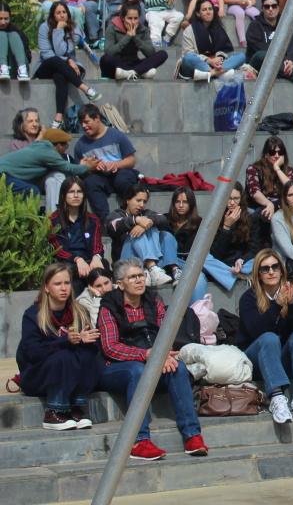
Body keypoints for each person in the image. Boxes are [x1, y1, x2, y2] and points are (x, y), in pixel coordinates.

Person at [98, 259, 208, 461]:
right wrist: (148, 355)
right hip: (116, 367)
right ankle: (139, 441)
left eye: (141, 275)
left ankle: (192, 435)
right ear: (120, 283)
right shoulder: (109, 307)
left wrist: (163, 355)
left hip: (152, 360)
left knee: (178, 368)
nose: (139, 280)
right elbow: (110, 347)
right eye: (133, 277)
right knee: (137, 371)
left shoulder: (153, 300)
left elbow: (167, 332)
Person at [237, 248, 293, 425]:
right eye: (265, 268)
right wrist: (276, 307)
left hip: (283, 358)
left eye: (275, 267)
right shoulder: (248, 298)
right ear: (258, 274)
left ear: (282, 270)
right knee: (269, 338)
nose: (271, 271)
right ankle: (276, 397)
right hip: (257, 360)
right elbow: (255, 332)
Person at [17, 262, 102, 430]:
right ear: (47, 288)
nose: (64, 288)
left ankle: (77, 408)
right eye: (57, 284)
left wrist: (86, 341)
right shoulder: (33, 314)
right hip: (37, 376)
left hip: (70, 373)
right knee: (64, 356)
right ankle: (54, 411)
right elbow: (33, 353)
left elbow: (95, 348)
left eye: (67, 283)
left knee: (86, 354)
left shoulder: (80, 311)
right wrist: (65, 341)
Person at [70, 104, 138, 221]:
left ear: (97, 118)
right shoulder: (81, 145)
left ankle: (131, 214)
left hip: (120, 173)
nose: (84, 126)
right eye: (82, 123)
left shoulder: (116, 135)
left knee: (124, 179)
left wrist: (116, 164)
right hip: (99, 178)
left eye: (87, 122)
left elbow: (132, 160)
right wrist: (91, 167)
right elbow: (78, 170)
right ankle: (106, 221)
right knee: (90, 182)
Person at [0, 127, 92, 201]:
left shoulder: (39, 146)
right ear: (58, 145)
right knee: (32, 191)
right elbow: (67, 168)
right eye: (66, 146)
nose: (66, 149)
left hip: (6, 174)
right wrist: (87, 167)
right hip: (2, 175)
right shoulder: (48, 152)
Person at [47, 176, 106, 285]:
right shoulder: (54, 220)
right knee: (71, 271)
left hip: (88, 259)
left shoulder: (93, 219)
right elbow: (58, 249)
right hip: (66, 261)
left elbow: (97, 244)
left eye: (79, 192)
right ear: (64, 195)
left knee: (103, 265)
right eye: (71, 192)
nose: (75, 195)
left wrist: (96, 257)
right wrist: (77, 259)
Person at [245, 0, 293, 84]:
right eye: (267, 6)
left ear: (278, 8)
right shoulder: (254, 26)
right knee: (262, 55)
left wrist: (290, 59)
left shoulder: (285, 24)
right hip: (260, 63)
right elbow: (261, 49)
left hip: (283, 62)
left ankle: (283, 72)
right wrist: (284, 60)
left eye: (274, 6)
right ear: (262, 9)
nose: (270, 9)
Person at [177, 0, 245, 82]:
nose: (208, 12)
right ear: (198, 14)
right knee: (188, 58)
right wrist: (209, 60)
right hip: (198, 66)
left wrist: (219, 58)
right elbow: (188, 53)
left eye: (210, 9)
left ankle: (211, 74)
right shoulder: (189, 30)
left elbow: (225, 51)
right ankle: (220, 73)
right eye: (204, 10)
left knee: (241, 56)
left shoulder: (218, 29)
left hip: (216, 65)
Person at [102, 3, 169, 81]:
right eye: (129, 18)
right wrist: (128, 36)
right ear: (123, 18)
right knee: (105, 59)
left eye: (135, 18)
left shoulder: (142, 29)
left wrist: (135, 37)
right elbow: (109, 52)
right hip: (118, 64)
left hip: (135, 63)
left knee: (163, 54)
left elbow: (151, 53)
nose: (133, 22)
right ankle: (141, 73)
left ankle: (132, 73)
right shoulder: (112, 28)